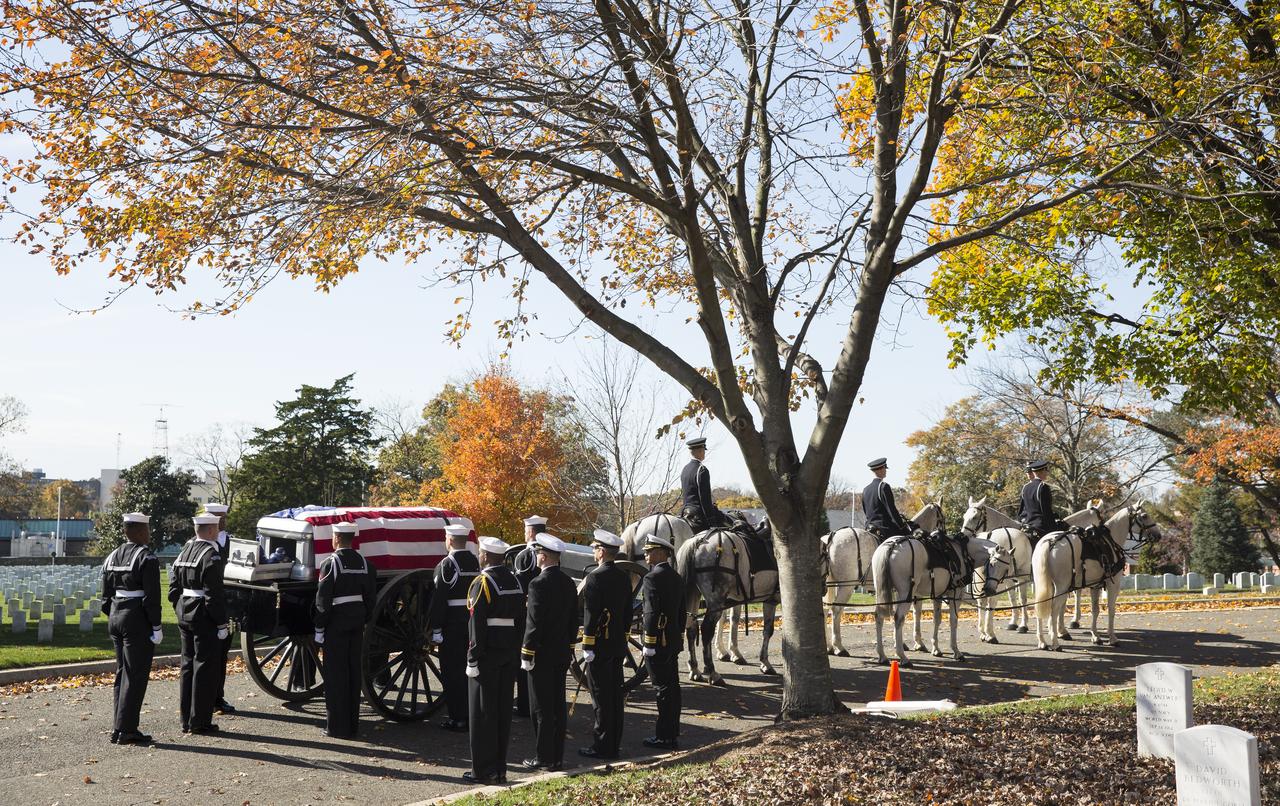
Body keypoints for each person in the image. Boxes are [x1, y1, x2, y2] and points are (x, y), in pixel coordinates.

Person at [464, 536, 526, 785]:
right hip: (509, 653)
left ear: (487, 556)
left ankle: (483, 770)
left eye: (481, 553)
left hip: (487, 655)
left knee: (481, 715)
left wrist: (472, 657)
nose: (479, 557)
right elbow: (521, 619)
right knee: (502, 714)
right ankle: (499, 768)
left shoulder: (482, 582)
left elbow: (477, 625)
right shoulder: (515, 580)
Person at [101, 512, 163, 746]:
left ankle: (118, 727)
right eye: (146, 530)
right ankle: (127, 729)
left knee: (121, 673)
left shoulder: (112, 556)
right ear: (137, 532)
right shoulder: (147, 558)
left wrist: (115, 614)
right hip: (136, 618)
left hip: (116, 615)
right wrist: (156, 625)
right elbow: (151, 598)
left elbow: (105, 596)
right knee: (135, 675)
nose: (148, 534)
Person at [519, 533, 578, 772]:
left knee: (541, 708)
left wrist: (526, 652)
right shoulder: (567, 583)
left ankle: (544, 758)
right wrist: (570, 646)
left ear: (543, 556)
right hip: (562, 652)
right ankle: (557, 756)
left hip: (541, 654)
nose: (535, 557)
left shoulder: (537, 584)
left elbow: (534, 624)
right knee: (557, 706)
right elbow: (574, 621)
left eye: (536, 554)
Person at [313, 521, 376, 739]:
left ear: (337, 538)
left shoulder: (331, 563)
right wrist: (364, 617)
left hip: (337, 622)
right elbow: (370, 597)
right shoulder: (364, 563)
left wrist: (319, 626)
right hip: (357, 620)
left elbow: (323, 599)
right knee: (352, 673)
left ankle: (337, 727)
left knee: (336, 675)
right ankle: (352, 724)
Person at [169, 513, 229, 734]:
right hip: (203, 614)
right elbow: (214, 595)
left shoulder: (185, 551)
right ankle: (200, 721)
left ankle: (186, 719)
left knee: (187, 667)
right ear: (212, 530)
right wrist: (221, 624)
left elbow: (173, 586)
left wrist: (179, 607)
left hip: (185, 611)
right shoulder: (211, 555)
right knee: (204, 668)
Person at [578, 529, 633, 760]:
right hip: (617, 644)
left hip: (599, 645)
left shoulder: (594, 578)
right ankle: (614, 743)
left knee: (600, 698)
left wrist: (587, 646)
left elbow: (590, 616)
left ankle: (602, 746)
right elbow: (628, 613)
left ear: (601, 552)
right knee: (614, 695)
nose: (593, 551)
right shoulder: (623, 576)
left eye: (594, 548)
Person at [427, 523, 479, 732]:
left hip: (452, 625)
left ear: (449, 540)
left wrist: (436, 628)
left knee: (452, 672)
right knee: (468, 670)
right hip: (470, 622)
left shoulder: (447, 564)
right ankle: (470, 714)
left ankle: (458, 718)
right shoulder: (474, 562)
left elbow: (439, 599)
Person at [639, 533, 684, 750]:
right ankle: (671, 732)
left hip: (658, 642)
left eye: (649, 551)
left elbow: (650, 613)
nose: (646, 554)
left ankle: (664, 737)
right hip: (672, 640)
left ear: (660, 553)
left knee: (662, 689)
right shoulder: (676, 577)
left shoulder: (651, 578)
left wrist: (648, 642)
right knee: (672, 688)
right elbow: (682, 612)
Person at [202, 502, 237, 715]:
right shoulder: (198, 544)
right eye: (217, 518)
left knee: (222, 654)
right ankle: (201, 699)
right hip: (205, 605)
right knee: (205, 655)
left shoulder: (233, 542)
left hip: (227, 604)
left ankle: (217, 696)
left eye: (223, 517)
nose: (222, 521)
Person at [510, 515, 546, 718]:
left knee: (523, 658)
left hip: (526, 613)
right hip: (545, 612)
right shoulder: (548, 553)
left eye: (526, 531)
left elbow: (520, 587)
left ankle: (524, 704)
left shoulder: (525, 555)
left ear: (531, 532)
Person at [680, 437, 731, 532]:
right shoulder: (702, 470)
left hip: (685, 512)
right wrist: (711, 520)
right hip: (699, 515)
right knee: (731, 527)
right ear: (700, 451)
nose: (704, 453)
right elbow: (705, 498)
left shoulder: (685, 469)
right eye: (703, 451)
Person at [861, 457, 912, 538]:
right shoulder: (884, 486)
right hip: (885, 529)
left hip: (869, 528)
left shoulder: (865, 489)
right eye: (885, 468)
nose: (886, 471)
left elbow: (866, 511)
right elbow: (891, 510)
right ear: (881, 469)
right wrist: (902, 527)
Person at [1018, 459, 1062, 541]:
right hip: (1041, 527)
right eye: (1046, 471)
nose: (1047, 473)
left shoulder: (1026, 487)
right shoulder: (1043, 487)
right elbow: (1046, 511)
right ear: (1042, 471)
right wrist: (1054, 528)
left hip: (1028, 525)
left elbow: (1022, 511)